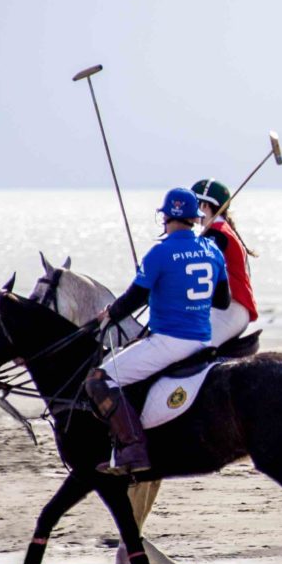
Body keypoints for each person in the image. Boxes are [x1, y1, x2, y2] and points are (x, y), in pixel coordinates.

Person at [84, 187, 229, 475]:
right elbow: (222, 300)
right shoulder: (212, 249)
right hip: (203, 340)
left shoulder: (160, 253)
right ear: (194, 218)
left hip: (169, 342)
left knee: (98, 380)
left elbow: (134, 298)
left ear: (165, 218)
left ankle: (133, 448)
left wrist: (110, 313)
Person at [190, 179, 259, 346]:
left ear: (205, 206)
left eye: (193, 204)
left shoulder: (216, 235)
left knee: (190, 346)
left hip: (229, 310)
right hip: (227, 309)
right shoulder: (219, 230)